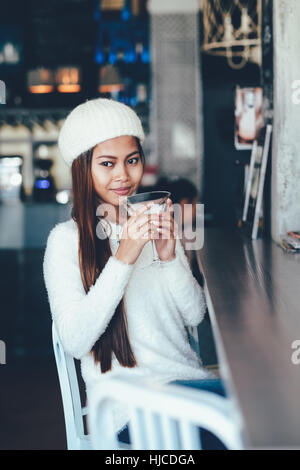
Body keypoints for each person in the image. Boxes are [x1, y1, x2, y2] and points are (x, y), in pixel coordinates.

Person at [43, 98, 227, 450]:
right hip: (127, 407)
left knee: (267, 406)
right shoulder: (65, 242)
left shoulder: (156, 223)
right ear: (83, 168)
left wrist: (170, 256)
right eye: (107, 163)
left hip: (188, 385)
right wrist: (124, 256)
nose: (123, 176)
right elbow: (76, 340)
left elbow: (194, 314)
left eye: (132, 160)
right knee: (247, 429)